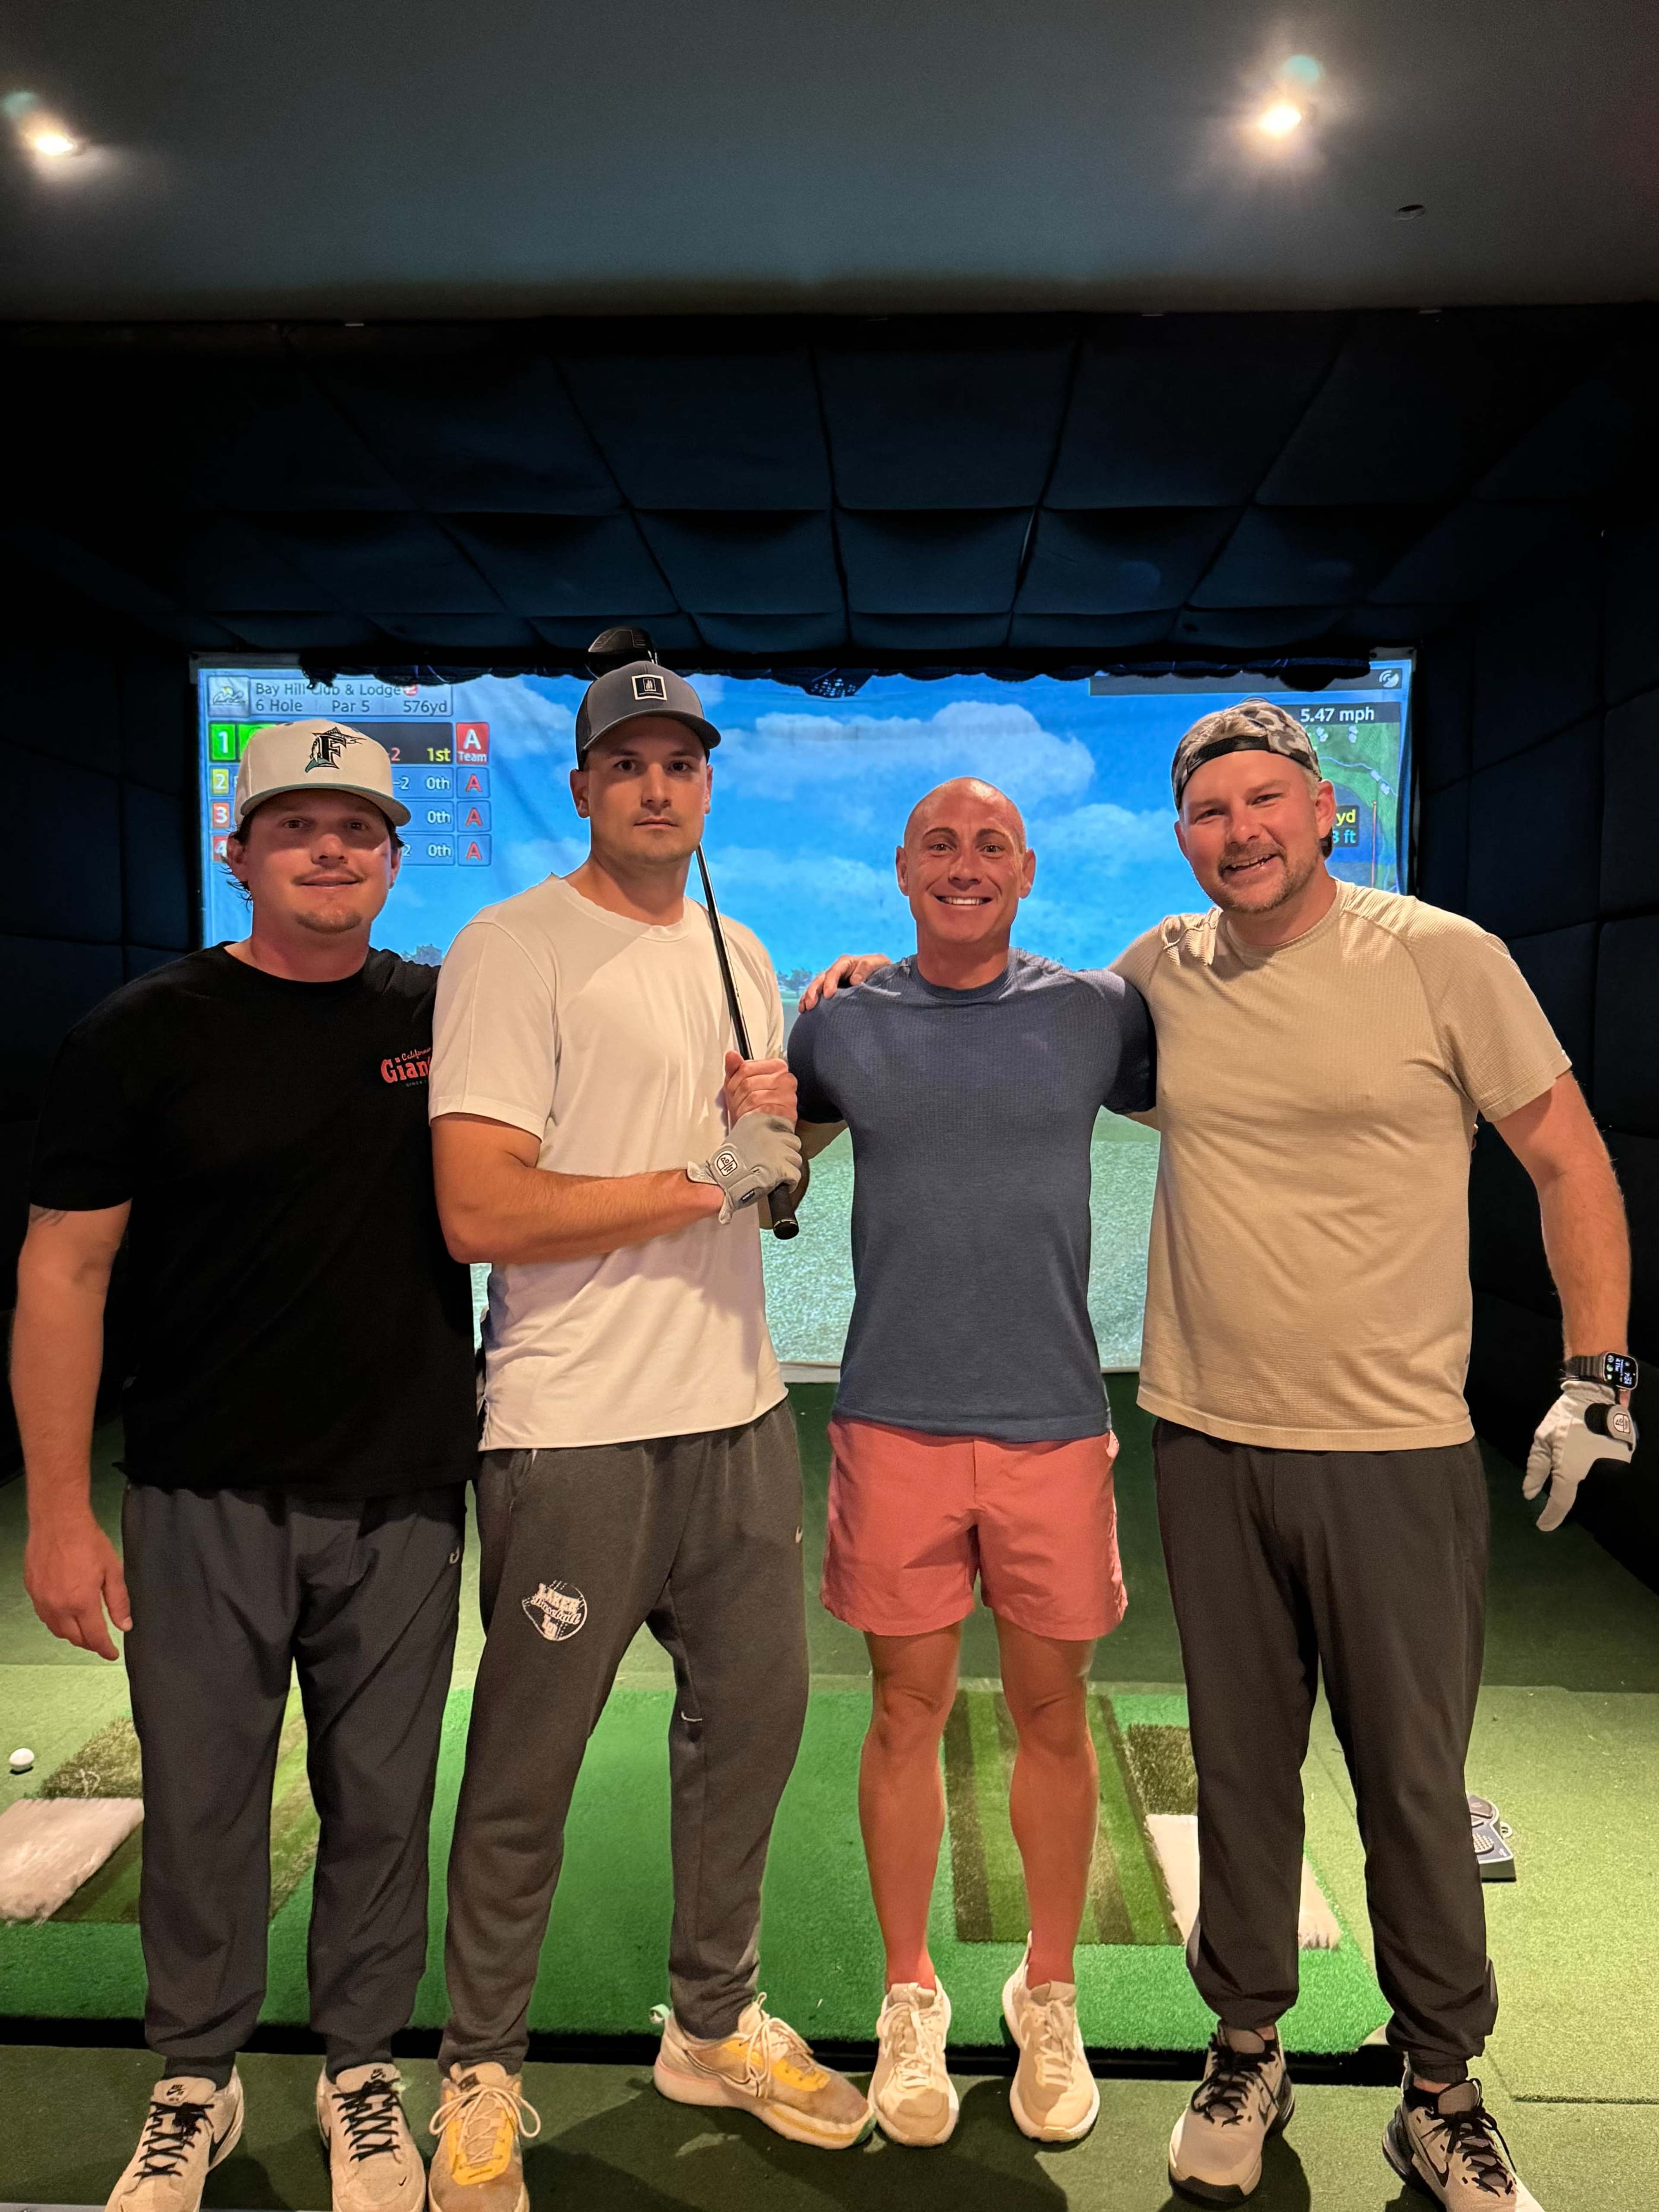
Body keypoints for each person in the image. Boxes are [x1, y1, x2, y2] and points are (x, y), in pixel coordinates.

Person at [802, 698, 1635, 2210]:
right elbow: (950, 1056)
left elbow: (1570, 1153)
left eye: (1266, 801)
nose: (1240, 832)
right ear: (1179, 836)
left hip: (1393, 1444)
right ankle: (1245, 2047)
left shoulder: (1445, 956)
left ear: (1325, 807)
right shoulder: (1152, 982)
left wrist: (1598, 1372)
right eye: (1209, 812)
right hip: (1203, 1433)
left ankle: (1439, 2089)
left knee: (1410, 1780)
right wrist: (847, 990)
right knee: (1241, 1774)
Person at [423, 655, 868, 2212]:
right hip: (572, 1432)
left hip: (737, 1418)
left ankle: (713, 2020)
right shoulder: (511, 946)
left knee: (751, 1730)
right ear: (587, 786)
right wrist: (711, 1173)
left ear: (704, 782)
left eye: (683, 762)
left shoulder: (739, 948)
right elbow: (481, 1206)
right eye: (630, 764)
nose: (659, 786)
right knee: (528, 1766)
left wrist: (785, 1134)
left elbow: (774, 1197)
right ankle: (480, 2068)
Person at [13, 722, 477, 2212]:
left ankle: (360, 2075)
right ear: (242, 851)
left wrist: (830, 1000)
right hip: (199, 1489)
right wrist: (63, 1514)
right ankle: (195, 2083)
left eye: (359, 827)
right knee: (205, 1801)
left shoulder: (448, 1015)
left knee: (384, 1804)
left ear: (397, 857)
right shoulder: (141, 1032)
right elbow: (64, 1273)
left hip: (401, 1487)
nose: (330, 850)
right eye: (298, 827)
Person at [787, 777, 1154, 2148]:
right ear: (900, 868)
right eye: (939, 844)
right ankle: (909, 1993)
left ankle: (1045, 1991)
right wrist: (749, 1123)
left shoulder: (1097, 1015)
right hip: (893, 1421)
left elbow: (1230, 1099)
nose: (964, 864)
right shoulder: (841, 1016)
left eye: (989, 844)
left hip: (1055, 1420)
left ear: (1029, 868)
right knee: (905, 1717)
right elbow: (768, 1167)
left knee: (1056, 1719)